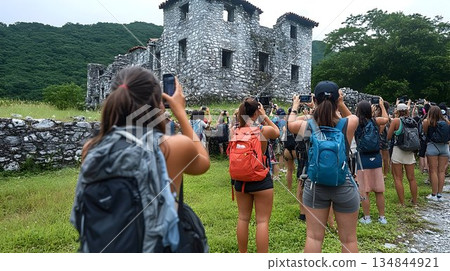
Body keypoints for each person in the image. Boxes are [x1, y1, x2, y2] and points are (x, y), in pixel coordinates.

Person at [78, 67, 210, 251]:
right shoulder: (172, 147)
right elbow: (203, 162)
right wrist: (180, 111)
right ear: (159, 105)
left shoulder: (91, 148)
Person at [288, 81, 360, 253]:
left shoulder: (306, 125)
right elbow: (352, 117)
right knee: (349, 240)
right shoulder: (348, 124)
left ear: (315, 99)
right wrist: (341, 103)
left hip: (315, 185)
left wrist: (295, 105)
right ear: (337, 99)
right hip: (344, 184)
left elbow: (290, 123)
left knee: (314, 237)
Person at [231, 98, 279, 253]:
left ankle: (242, 254)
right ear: (256, 111)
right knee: (262, 222)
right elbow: (277, 132)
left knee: (243, 218)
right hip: (261, 179)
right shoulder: (262, 130)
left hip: (241, 181)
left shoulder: (235, 130)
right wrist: (264, 116)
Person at [355, 99, 389, 224]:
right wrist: (381, 106)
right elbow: (386, 118)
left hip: (362, 158)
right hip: (376, 157)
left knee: (365, 190)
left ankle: (367, 217)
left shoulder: (356, 122)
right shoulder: (375, 121)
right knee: (379, 190)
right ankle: (382, 217)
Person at [387, 102, 418, 206]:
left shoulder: (396, 121)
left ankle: (402, 203)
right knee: (412, 178)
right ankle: (414, 201)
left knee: (398, 178)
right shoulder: (413, 121)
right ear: (407, 111)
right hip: (410, 151)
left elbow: (389, 136)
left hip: (398, 150)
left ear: (397, 111)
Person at [422, 105, 450, 201]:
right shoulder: (447, 122)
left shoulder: (427, 122)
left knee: (433, 170)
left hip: (432, 147)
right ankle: (440, 194)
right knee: (441, 171)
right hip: (445, 147)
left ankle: (433, 194)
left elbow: (425, 132)